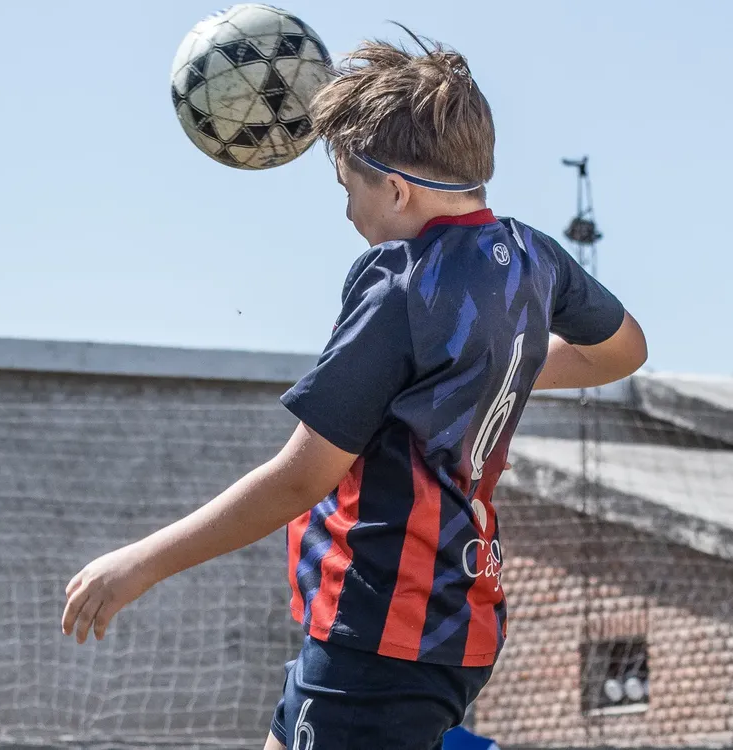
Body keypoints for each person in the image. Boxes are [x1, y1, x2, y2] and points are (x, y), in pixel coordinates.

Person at [61, 26, 647, 750]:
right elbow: (622, 350)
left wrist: (140, 563)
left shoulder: (401, 282)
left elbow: (298, 478)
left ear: (396, 189)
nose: (347, 214)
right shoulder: (534, 257)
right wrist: (490, 367)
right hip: (454, 620)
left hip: (377, 630)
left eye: (348, 189)